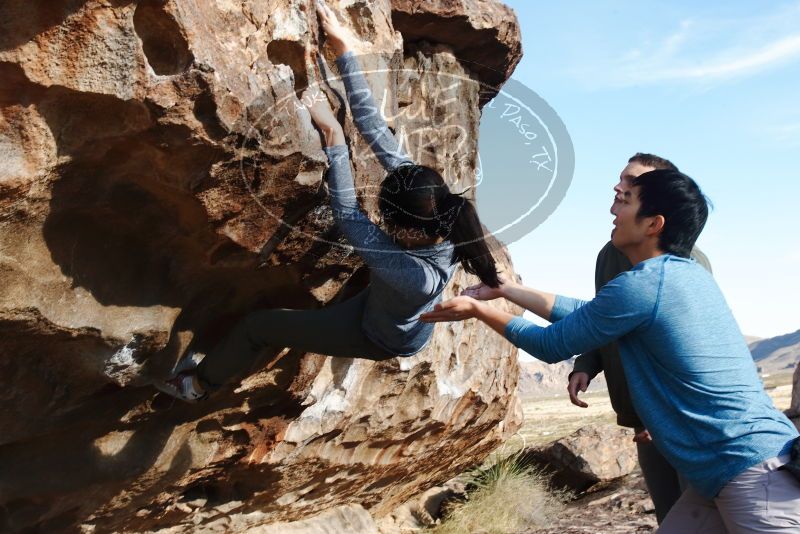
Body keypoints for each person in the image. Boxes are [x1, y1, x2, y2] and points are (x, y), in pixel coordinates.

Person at [154, 0, 499, 402]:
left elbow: (349, 214)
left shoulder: (412, 273)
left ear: (405, 230)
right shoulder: (431, 199)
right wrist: (345, 49)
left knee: (259, 326)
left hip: (380, 335)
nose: (383, 223)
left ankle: (196, 385)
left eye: (388, 221)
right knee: (365, 295)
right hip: (389, 303)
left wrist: (334, 137)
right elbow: (373, 129)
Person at [421, 169, 800, 531]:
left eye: (627, 200)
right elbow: (589, 315)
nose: (613, 210)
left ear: (654, 224)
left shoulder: (644, 285)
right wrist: (506, 289)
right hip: (726, 472)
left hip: (751, 473)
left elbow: (549, 345)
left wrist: (478, 310)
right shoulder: (681, 276)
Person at [567, 153, 711, 524]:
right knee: (668, 514)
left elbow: (685, 347)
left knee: (697, 514)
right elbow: (602, 318)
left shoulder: (690, 262)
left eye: (631, 182)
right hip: (639, 413)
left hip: (679, 417)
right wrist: (587, 363)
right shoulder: (608, 254)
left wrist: (661, 409)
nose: (618, 187)